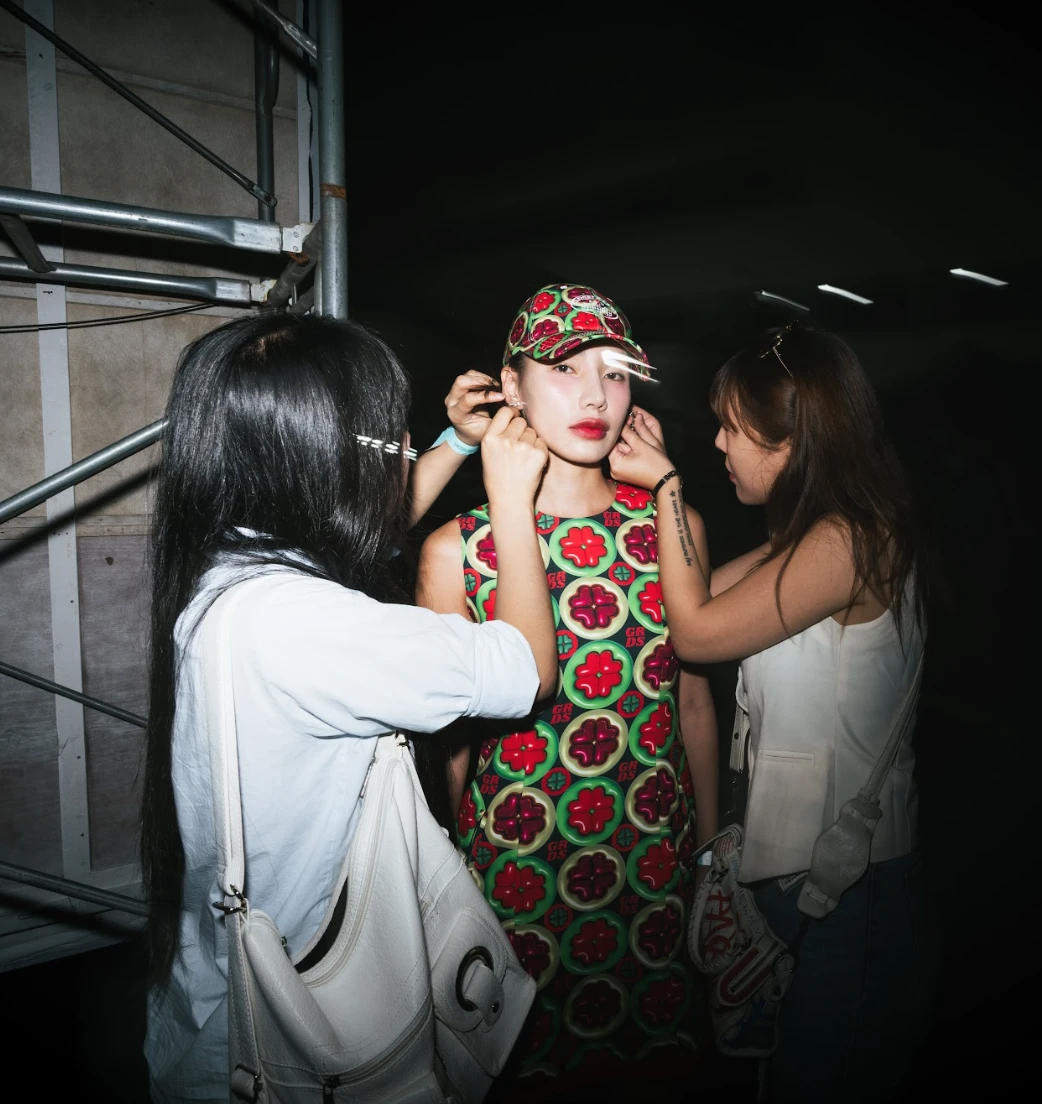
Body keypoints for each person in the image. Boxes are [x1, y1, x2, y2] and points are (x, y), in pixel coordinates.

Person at [141, 312, 558, 1103]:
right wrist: (510, 500)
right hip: (297, 1029)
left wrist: (457, 443)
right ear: (326, 457)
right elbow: (529, 668)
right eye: (388, 435)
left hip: (212, 997)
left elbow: (353, 538)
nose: (401, 448)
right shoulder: (307, 626)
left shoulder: (236, 567)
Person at [608, 320, 936, 1101]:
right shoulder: (815, 536)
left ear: (789, 442)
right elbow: (694, 595)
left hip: (852, 890)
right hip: (804, 879)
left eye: (731, 427)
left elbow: (695, 632)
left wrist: (667, 488)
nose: (718, 443)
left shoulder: (853, 541)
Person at [416, 284, 719, 1097]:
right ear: (510, 388)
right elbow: (449, 746)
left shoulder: (671, 524)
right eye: (564, 368)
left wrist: (709, 855)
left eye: (615, 373)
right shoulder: (457, 552)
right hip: (516, 879)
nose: (595, 396)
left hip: (655, 869)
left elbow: (693, 702)